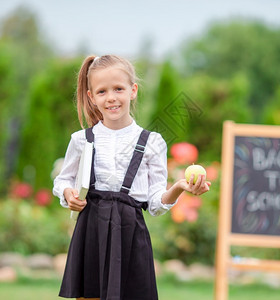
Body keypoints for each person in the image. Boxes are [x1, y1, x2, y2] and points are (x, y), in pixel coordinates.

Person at [53, 54, 210, 300]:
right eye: (102, 91)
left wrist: (179, 186)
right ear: (91, 97)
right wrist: (67, 193)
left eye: (118, 89)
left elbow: (156, 203)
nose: (112, 97)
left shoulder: (152, 143)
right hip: (90, 231)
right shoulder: (81, 139)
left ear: (133, 90)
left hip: (130, 233)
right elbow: (62, 180)